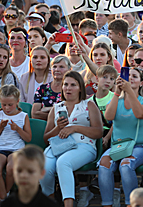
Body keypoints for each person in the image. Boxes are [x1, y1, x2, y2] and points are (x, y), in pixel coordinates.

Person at [41, 71, 103, 207]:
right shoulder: (56, 108)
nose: (68, 88)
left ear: (80, 87)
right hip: (58, 145)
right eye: (65, 85)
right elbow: (46, 138)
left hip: (83, 145)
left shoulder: (89, 105)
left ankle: (68, 204)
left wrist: (74, 128)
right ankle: (50, 202)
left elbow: (99, 132)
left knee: (63, 163)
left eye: (73, 85)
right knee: (45, 167)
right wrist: (58, 128)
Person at [99, 67, 143, 207]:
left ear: (141, 83)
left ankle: (132, 204)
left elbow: (140, 114)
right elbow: (109, 117)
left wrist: (129, 91)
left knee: (126, 165)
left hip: (141, 147)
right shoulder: (115, 100)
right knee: (104, 164)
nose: (130, 79)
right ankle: (107, 204)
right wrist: (117, 93)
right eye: (127, 76)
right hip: (119, 146)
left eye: (135, 76)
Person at [0, 85, 32, 207]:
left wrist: (18, 129)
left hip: (17, 149)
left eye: (10, 105)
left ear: (17, 102)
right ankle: (3, 198)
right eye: (4, 105)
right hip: (1, 148)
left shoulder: (23, 116)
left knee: (11, 168)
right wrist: (0, 127)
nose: (7, 108)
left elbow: (28, 138)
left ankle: (5, 195)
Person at [32, 55, 71, 120]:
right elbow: (35, 114)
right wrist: (57, 113)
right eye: (54, 66)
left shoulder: (70, 90)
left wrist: (48, 109)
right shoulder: (42, 89)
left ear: (69, 69)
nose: (57, 69)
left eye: (61, 67)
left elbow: (70, 114)